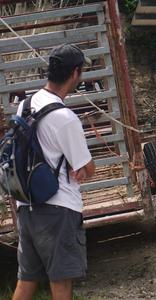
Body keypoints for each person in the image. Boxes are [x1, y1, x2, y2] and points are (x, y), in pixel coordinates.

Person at [12, 44, 96, 300]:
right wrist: (78, 166)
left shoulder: (25, 105)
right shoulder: (66, 117)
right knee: (61, 284)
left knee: (26, 282)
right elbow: (87, 168)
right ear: (75, 74)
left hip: (26, 205)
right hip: (58, 209)